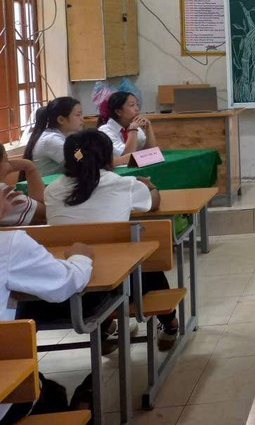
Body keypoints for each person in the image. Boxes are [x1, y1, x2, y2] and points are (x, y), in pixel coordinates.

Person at [42, 131, 179, 351]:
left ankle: (105, 328)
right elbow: (153, 203)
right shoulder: (123, 184)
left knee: (107, 270)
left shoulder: (52, 190)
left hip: (64, 285)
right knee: (147, 267)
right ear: (108, 158)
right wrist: (151, 186)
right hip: (118, 285)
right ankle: (170, 324)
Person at [0, 186, 93, 423]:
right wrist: (81, 256)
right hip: (4, 396)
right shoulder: (9, 243)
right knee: (43, 391)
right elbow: (65, 283)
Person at [23, 97, 84, 176]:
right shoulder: (51, 139)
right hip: (48, 183)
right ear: (61, 120)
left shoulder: (61, 135)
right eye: (78, 115)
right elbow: (80, 162)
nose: (82, 118)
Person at [97, 91, 157, 166]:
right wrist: (133, 129)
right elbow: (128, 157)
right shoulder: (105, 131)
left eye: (137, 104)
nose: (137, 109)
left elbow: (152, 152)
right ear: (118, 111)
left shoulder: (134, 126)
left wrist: (148, 127)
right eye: (132, 105)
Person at [0, 144, 46, 226]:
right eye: (6, 160)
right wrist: (30, 167)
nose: (10, 163)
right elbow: (44, 214)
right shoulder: (5, 196)